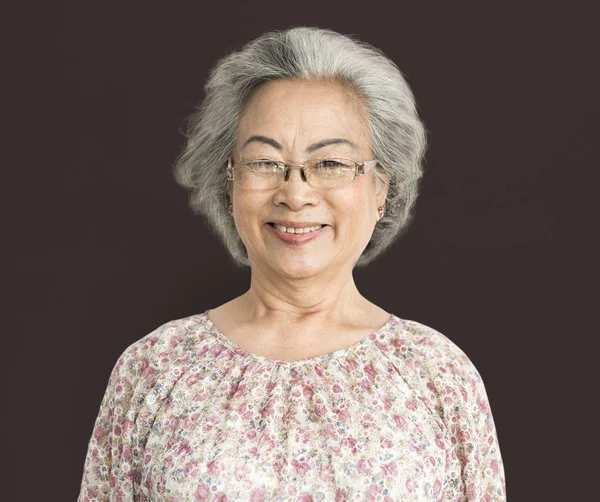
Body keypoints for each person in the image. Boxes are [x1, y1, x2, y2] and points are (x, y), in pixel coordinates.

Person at [78, 27, 505, 501]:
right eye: (264, 162)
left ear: (380, 188)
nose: (296, 193)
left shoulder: (436, 374)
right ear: (229, 180)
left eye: (330, 164)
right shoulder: (155, 369)